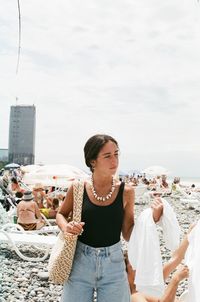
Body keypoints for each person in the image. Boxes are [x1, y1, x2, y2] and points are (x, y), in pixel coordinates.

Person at [56, 134, 135, 302]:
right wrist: (66, 227)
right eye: (107, 156)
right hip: (79, 262)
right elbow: (61, 214)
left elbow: (128, 233)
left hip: (114, 265)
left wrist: (151, 221)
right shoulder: (77, 188)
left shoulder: (126, 192)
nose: (114, 160)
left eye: (116, 154)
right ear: (93, 161)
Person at [125, 228, 191, 302]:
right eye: (134, 265)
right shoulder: (134, 297)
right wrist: (175, 279)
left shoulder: (152, 280)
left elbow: (176, 258)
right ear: (125, 274)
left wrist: (190, 233)